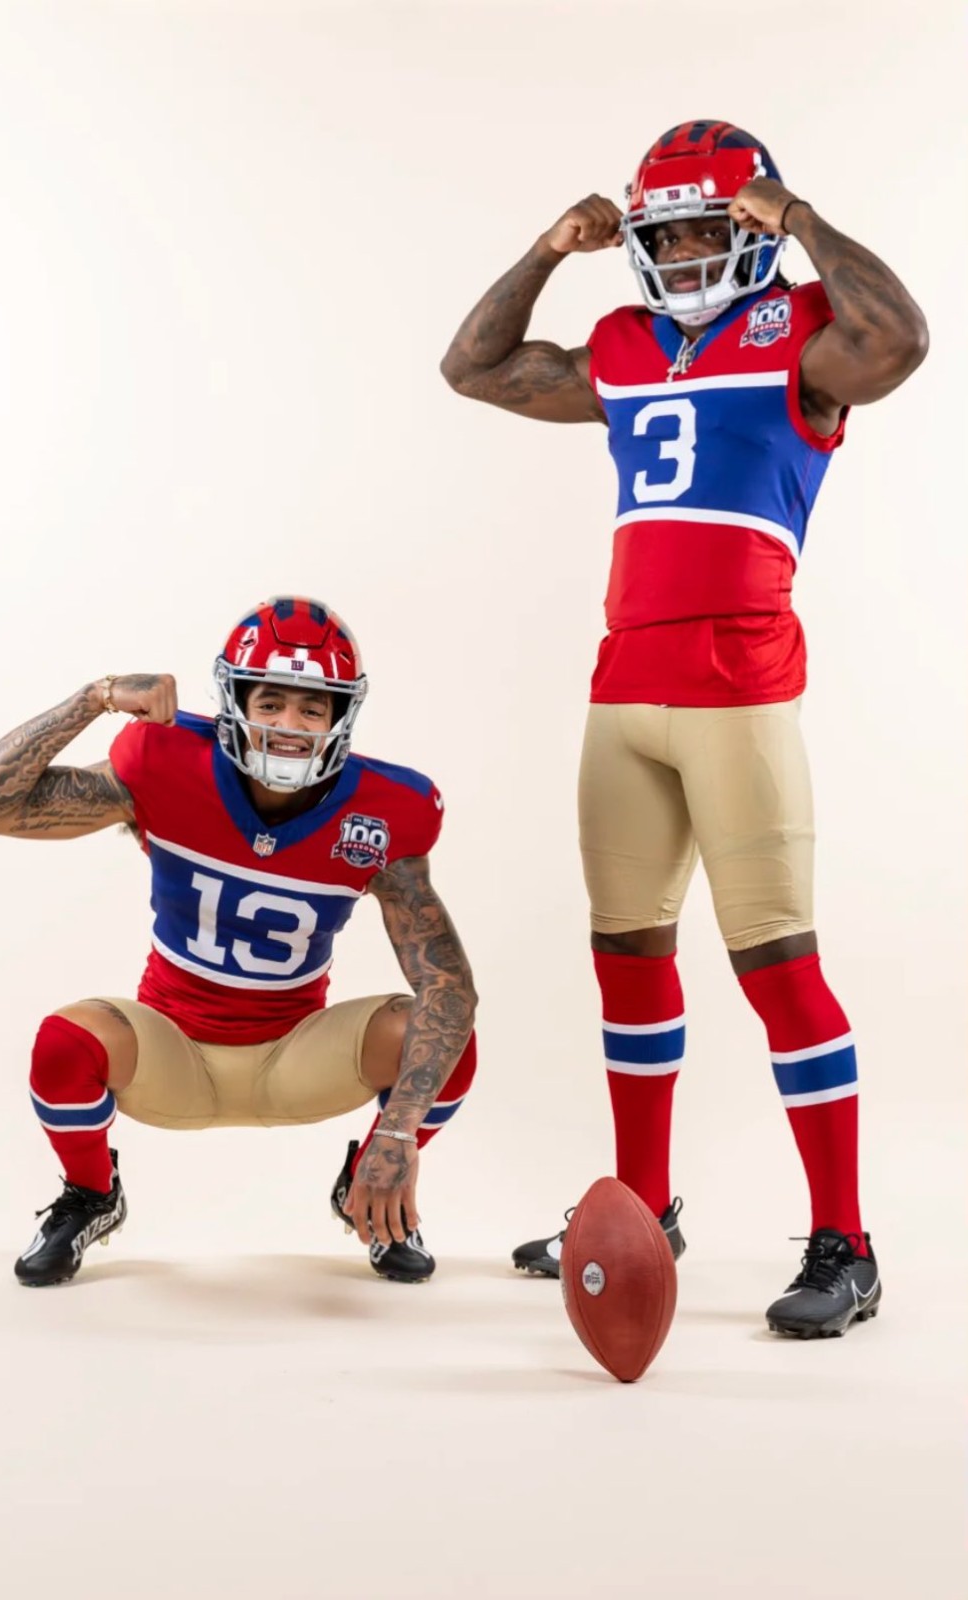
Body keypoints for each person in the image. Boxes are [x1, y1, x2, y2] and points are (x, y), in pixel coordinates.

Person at [439, 119, 927, 1337]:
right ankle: (642, 1209)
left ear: (751, 225)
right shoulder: (623, 345)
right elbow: (472, 368)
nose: (687, 251)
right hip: (623, 689)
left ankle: (846, 1243)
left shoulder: (804, 332)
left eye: (711, 226)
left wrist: (799, 218)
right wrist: (548, 248)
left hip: (737, 687)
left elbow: (898, 339)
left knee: (777, 967)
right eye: (665, 236)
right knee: (625, 958)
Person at [0, 596, 478, 1288]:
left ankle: (372, 1192)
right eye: (271, 703)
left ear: (341, 717)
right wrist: (94, 697)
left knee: (441, 1032)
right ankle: (92, 1194)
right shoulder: (166, 765)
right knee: (64, 1042)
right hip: (172, 1047)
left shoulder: (381, 812)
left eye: (312, 709)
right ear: (235, 703)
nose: (289, 725)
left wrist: (399, 1133)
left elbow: (447, 985)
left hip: (296, 1052)